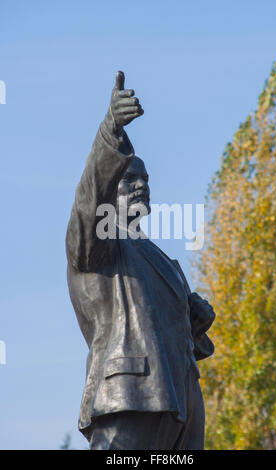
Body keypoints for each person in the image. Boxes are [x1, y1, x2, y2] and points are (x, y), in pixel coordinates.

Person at [66, 71, 215, 450]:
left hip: (181, 405)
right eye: (130, 178)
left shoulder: (164, 261)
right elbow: (89, 199)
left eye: (145, 179)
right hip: (128, 397)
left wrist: (194, 322)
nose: (141, 185)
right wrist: (110, 132)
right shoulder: (98, 243)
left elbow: (173, 335)